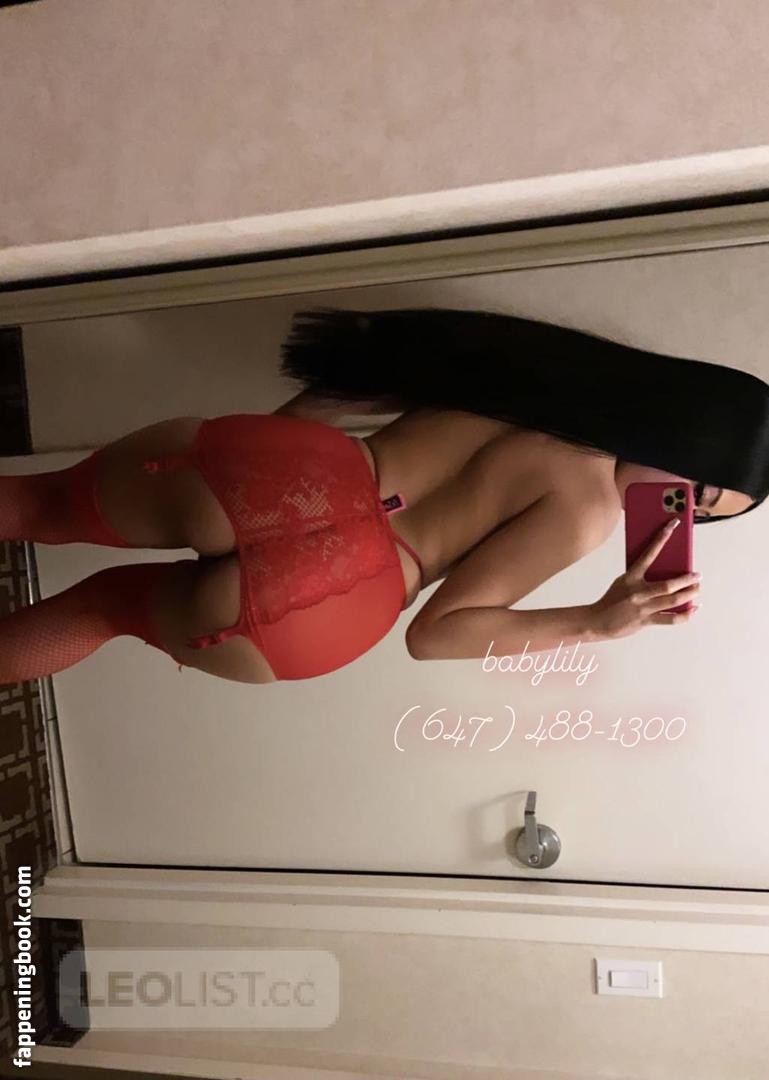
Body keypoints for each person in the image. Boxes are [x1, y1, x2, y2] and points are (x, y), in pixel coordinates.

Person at [0, 305, 766, 687]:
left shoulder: (546, 375)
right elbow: (434, 636)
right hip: (337, 600)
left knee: (38, 504)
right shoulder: (587, 512)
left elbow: (336, 401)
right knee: (99, 609)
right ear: (687, 434)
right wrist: (595, 623)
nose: (682, 511)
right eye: (695, 489)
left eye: (700, 515)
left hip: (305, 477)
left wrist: (271, 463)